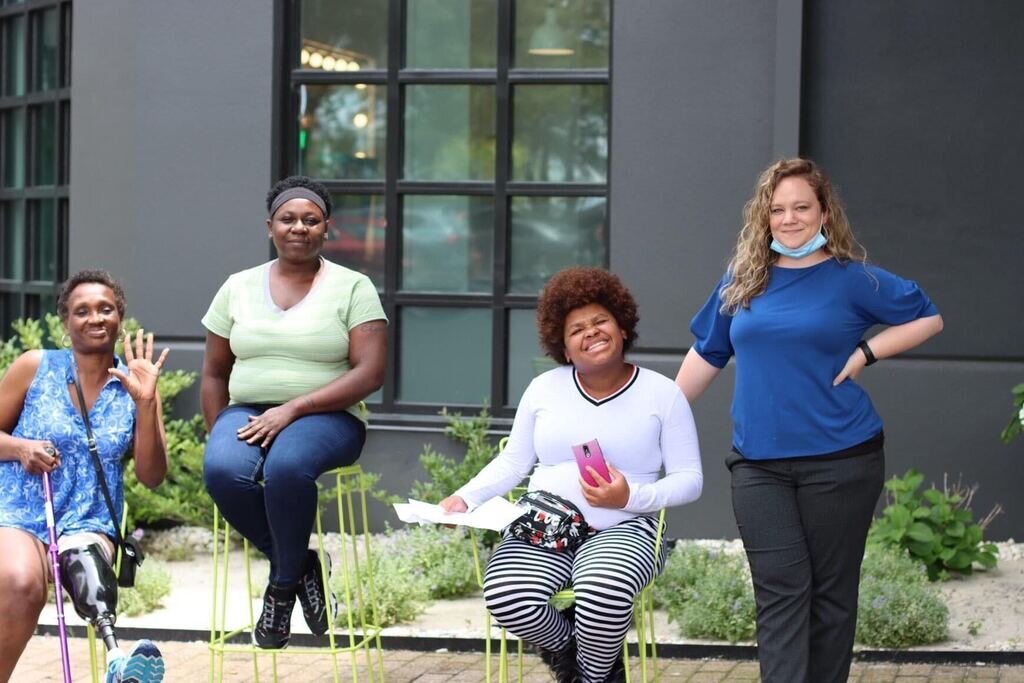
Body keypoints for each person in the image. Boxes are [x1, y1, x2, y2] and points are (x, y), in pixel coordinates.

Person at [675, 158, 944, 682]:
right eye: (778, 209)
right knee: (779, 591)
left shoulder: (852, 279)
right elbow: (706, 355)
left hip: (843, 460)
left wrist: (866, 352)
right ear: (764, 217)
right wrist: (648, 421)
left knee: (831, 595)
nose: (789, 218)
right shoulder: (743, 280)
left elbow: (928, 316)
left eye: (801, 207)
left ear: (824, 212)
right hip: (759, 467)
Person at [440, 267, 703, 683]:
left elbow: (690, 479)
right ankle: (576, 653)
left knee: (603, 589)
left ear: (621, 326)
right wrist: (465, 498)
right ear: (562, 346)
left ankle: (593, 676)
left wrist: (629, 497)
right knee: (508, 595)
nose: (591, 333)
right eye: (577, 329)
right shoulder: (544, 389)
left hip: (625, 526)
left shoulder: (661, 394)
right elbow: (513, 462)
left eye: (600, 321)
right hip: (545, 525)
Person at [201, 175, 387, 650]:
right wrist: (218, 430)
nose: (298, 227)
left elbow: (370, 373)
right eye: (288, 218)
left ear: (326, 229)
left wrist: (293, 408)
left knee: (286, 467)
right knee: (223, 470)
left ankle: (281, 591)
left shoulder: (353, 287)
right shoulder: (236, 287)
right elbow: (215, 373)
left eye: (310, 219)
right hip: (248, 411)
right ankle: (301, 565)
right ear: (270, 227)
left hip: (329, 417)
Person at [0, 270, 169, 683]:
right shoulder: (34, 367)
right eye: (83, 311)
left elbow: (151, 475)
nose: (95, 318)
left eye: (105, 309)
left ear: (120, 318)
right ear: (66, 323)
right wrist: (22, 448)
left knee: (88, 569)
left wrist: (145, 404)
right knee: (21, 583)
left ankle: (118, 664)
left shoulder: (137, 384)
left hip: (89, 519)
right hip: (21, 509)